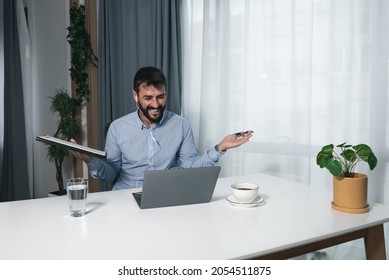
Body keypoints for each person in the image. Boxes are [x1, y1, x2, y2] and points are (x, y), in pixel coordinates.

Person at [70, 67, 253, 190]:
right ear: (135, 95)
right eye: (148, 98)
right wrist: (89, 160)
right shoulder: (118, 128)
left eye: (160, 97)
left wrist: (219, 148)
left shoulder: (181, 125)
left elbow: (190, 167)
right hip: (125, 196)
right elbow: (111, 173)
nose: (156, 104)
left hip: (167, 195)